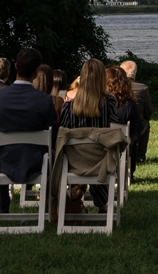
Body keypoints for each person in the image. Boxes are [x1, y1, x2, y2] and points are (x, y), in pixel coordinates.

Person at [0, 49, 58, 205]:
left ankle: (1, 207)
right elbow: (53, 136)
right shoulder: (44, 100)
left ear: (15, 66)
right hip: (37, 163)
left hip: (3, 162)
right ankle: (50, 204)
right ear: (37, 71)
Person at [59, 59, 119, 210]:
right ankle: (103, 203)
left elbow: (63, 133)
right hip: (100, 161)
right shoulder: (109, 103)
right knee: (101, 154)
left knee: (77, 152)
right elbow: (113, 125)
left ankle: (76, 189)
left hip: (75, 162)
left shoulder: (68, 107)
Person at [105, 65, 143, 181]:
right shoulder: (129, 105)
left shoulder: (99, 103)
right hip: (120, 148)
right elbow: (136, 133)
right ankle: (129, 174)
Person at [119, 61, 153, 166]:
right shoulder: (142, 88)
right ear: (134, 73)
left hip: (118, 122)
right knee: (145, 125)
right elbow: (148, 110)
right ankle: (140, 156)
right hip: (136, 124)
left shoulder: (113, 87)